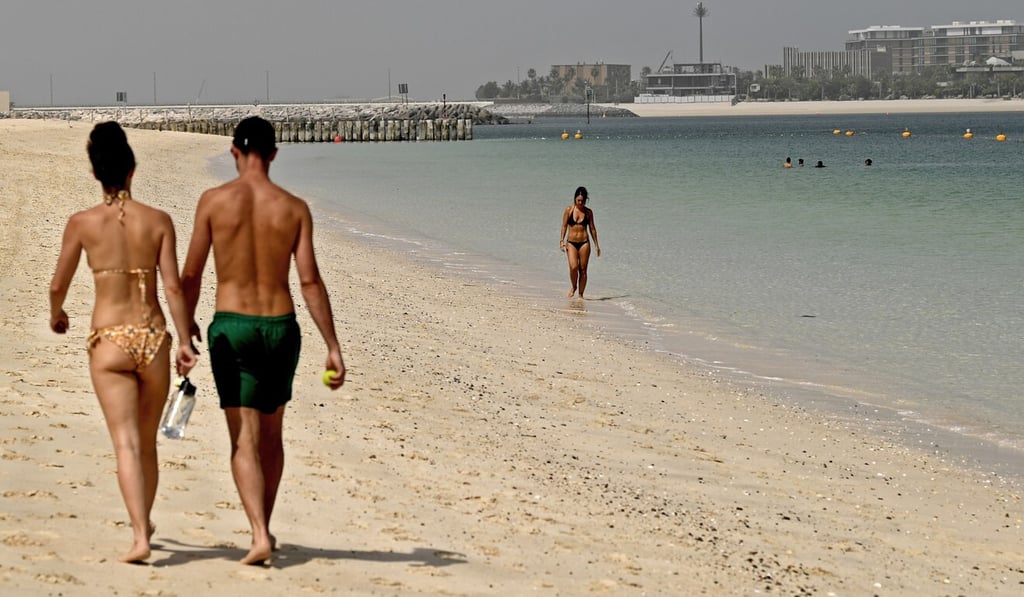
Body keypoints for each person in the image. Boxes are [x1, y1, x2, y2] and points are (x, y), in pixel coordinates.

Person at [181, 116, 345, 565]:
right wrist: (332, 345)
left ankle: (258, 533)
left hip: (232, 328)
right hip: (280, 326)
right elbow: (309, 281)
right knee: (273, 435)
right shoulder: (293, 208)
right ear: (273, 154)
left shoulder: (214, 202)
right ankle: (265, 528)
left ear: (235, 152)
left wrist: (185, 326)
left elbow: (191, 272)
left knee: (243, 439)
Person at [48, 122, 198, 563]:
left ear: (96, 174)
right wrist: (186, 339)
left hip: (110, 341)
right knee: (146, 442)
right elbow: (172, 288)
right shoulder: (158, 221)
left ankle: (140, 535)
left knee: (126, 443)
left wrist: (57, 315)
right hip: (153, 339)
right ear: (132, 169)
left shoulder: (82, 223)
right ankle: (144, 519)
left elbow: (59, 284)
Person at [559, 186, 602, 298]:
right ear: (574, 199)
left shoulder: (588, 212)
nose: (580, 203)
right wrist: (561, 241)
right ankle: (574, 286)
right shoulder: (569, 210)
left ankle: (581, 295)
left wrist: (597, 245)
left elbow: (592, 229)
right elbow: (564, 226)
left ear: (585, 200)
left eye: (582, 201)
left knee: (583, 270)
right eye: (578, 200)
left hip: (584, 243)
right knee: (573, 267)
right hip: (571, 243)